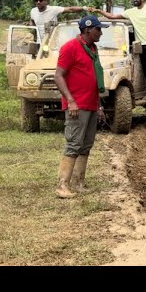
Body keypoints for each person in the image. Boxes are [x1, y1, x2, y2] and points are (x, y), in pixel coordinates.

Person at [53, 15, 109, 198]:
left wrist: (99, 106)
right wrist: (70, 100)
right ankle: (62, 185)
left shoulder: (92, 48)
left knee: (86, 145)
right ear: (87, 30)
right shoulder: (70, 48)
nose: (101, 32)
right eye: (98, 29)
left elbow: (94, 79)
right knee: (74, 143)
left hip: (91, 103)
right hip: (77, 104)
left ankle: (78, 183)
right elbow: (59, 76)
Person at [93, 0, 146, 102]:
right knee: (145, 68)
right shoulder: (131, 12)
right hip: (140, 45)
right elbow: (112, 16)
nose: (135, 0)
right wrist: (99, 11)